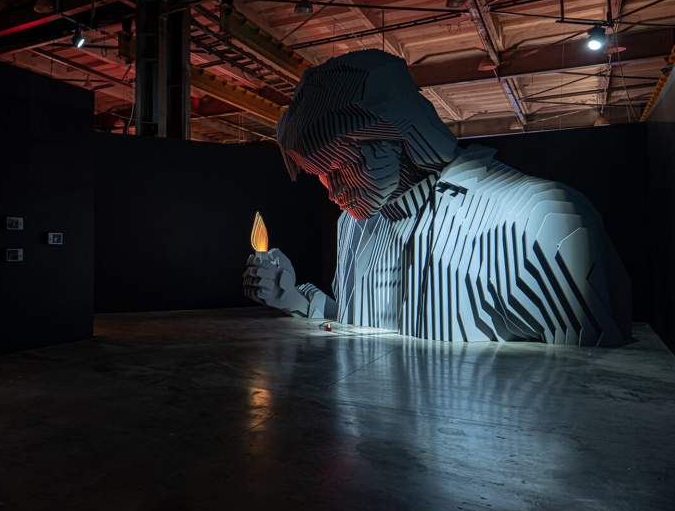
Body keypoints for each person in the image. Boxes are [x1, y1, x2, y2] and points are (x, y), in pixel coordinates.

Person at [243, 49, 631, 346]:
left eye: (342, 167)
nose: (332, 192)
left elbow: (596, 388)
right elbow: (356, 325)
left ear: (395, 135)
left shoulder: (536, 221)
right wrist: (293, 298)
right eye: (320, 177)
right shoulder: (354, 226)